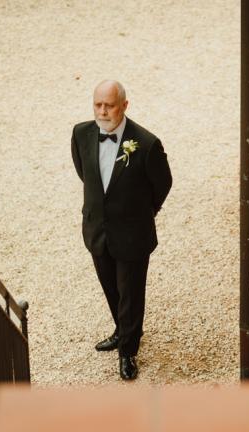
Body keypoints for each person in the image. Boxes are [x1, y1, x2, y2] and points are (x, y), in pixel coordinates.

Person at [71, 80, 172, 381]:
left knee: (130, 293)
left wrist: (143, 212)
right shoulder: (80, 133)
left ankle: (128, 350)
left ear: (124, 106)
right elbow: (84, 173)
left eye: (109, 105)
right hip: (97, 229)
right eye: (98, 105)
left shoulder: (147, 143)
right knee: (111, 287)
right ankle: (122, 329)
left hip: (132, 233)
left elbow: (162, 184)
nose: (102, 111)